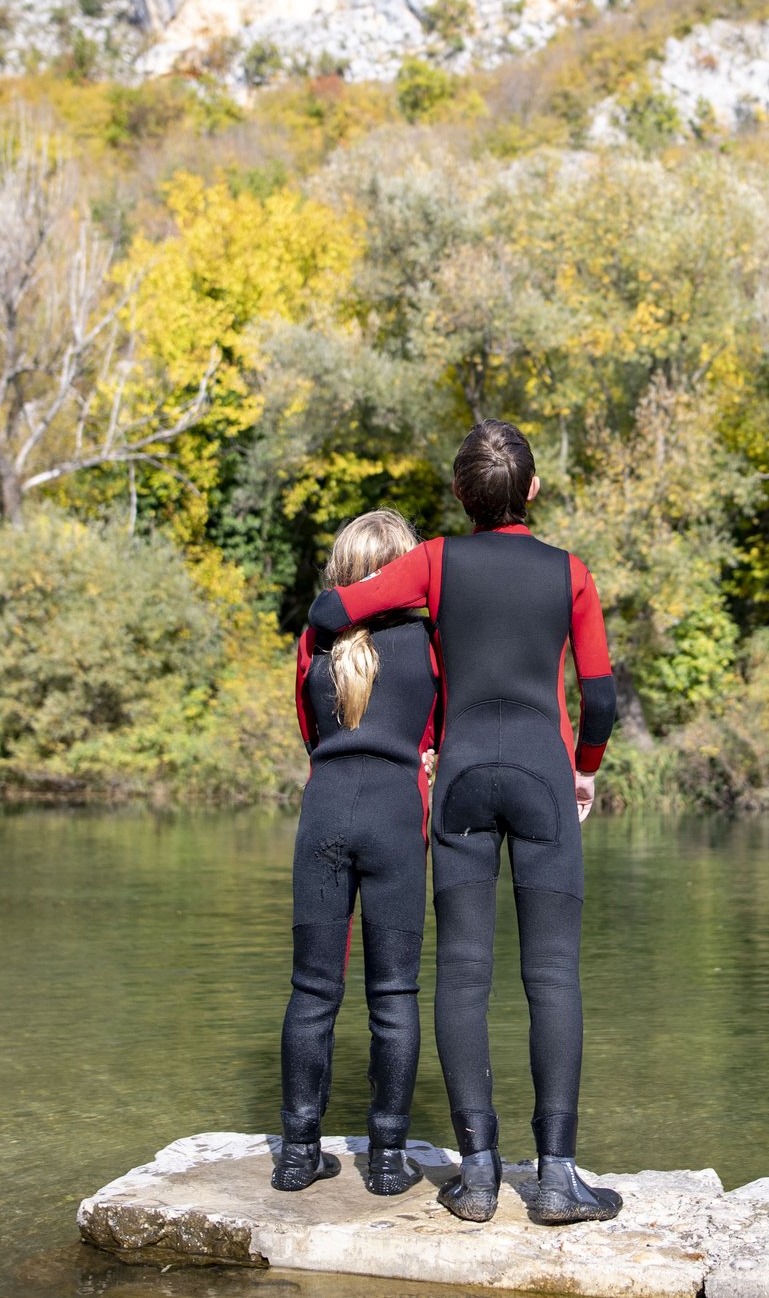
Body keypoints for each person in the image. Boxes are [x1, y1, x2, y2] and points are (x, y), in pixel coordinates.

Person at [307, 420, 622, 1226]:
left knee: (465, 975)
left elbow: (334, 606)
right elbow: (602, 694)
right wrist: (583, 767)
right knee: (551, 974)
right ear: (536, 491)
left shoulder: (436, 561)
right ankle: (556, 1177)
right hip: (545, 782)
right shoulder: (570, 572)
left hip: (463, 782)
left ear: (458, 494)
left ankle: (476, 1174)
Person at [275, 509, 438, 1196]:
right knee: (394, 992)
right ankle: (389, 1157)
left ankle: (296, 1152)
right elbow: (438, 728)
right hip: (397, 813)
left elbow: (309, 733)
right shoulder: (431, 642)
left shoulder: (314, 639)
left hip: (325, 811)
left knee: (313, 991)